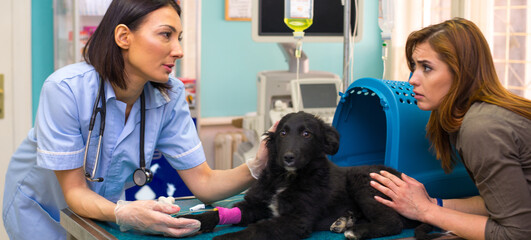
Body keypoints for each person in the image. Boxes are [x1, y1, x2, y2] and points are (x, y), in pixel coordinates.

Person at [2, 0, 272, 239]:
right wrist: (125, 213)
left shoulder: (170, 95)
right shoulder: (65, 89)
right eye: (166, 35)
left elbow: (204, 182)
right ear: (123, 36)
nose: (178, 50)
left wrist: (258, 166)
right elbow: (74, 192)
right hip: (42, 209)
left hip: (102, 209)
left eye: (179, 37)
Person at [369, 18, 531, 239]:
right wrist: (432, 204)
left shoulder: (481, 128)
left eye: (427, 68)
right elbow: (500, 203)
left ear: (461, 73)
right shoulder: (474, 117)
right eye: (414, 67)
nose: (412, 79)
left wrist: (426, 211)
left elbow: (517, 234)